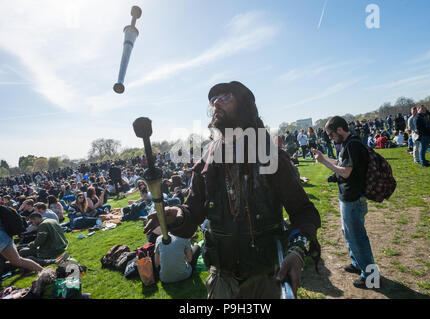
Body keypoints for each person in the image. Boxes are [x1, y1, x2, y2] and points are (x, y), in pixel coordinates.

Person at [143, 81, 321, 299]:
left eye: (226, 96)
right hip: (222, 277)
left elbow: (304, 212)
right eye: (213, 99)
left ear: (245, 105)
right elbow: (193, 212)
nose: (216, 101)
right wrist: (179, 215)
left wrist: (297, 252)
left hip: (265, 276)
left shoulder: (270, 156)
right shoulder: (206, 161)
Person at [311, 116, 378, 289]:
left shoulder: (353, 145)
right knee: (349, 234)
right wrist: (324, 158)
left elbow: (346, 172)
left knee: (358, 238)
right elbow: (341, 164)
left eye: (331, 134)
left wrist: (324, 161)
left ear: (340, 130)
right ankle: (357, 264)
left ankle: (371, 277)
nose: (330, 138)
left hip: (354, 199)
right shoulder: (349, 144)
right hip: (349, 197)